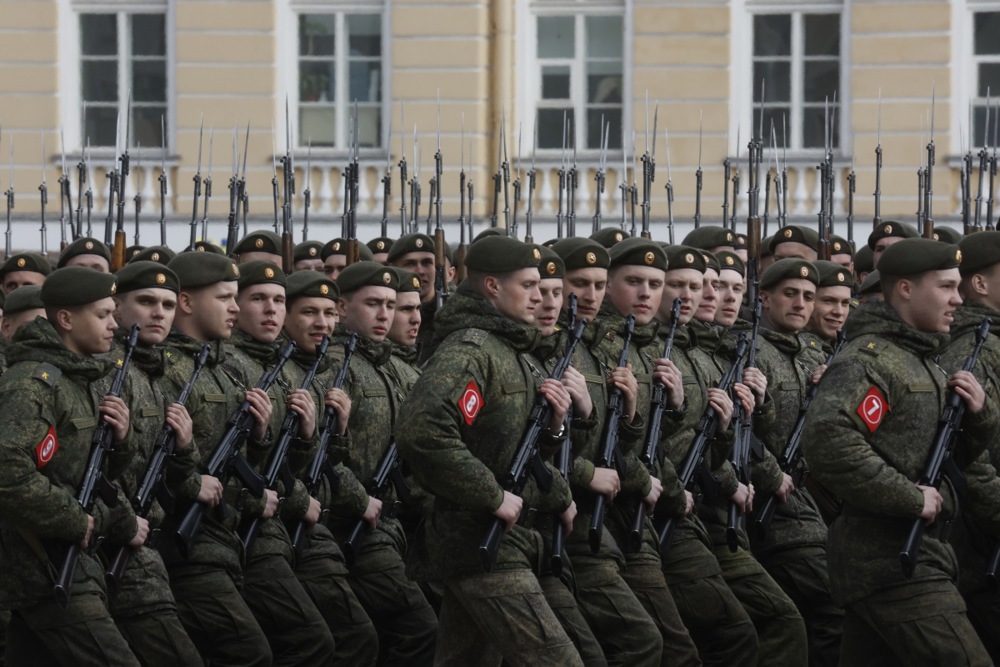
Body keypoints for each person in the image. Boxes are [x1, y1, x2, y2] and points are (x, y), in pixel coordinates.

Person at [803, 238, 999, 665]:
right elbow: (827, 441)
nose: (958, 298)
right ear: (906, 289)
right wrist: (909, 497)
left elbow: (949, 461)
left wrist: (980, 414)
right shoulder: (871, 360)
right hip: (889, 561)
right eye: (946, 287)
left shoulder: (921, 359)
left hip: (913, 556)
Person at [398, 236, 582, 665]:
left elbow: (512, 447)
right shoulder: (473, 350)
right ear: (493, 287)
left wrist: (555, 430)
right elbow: (422, 431)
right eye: (528, 286)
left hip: (502, 539)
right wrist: (492, 494)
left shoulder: (512, 349)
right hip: (477, 538)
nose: (540, 296)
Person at [551, 237, 697, 667]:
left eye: (598, 285)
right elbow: (541, 443)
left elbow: (634, 439)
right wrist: (640, 480)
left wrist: (642, 410)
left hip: (620, 515)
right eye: (580, 283)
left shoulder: (613, 344)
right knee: (642, 642)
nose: (590, 295)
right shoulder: (565, 347)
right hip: (579, 517)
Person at [0, 267, 141, 665]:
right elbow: (6, 471)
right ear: (65, 319)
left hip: (61, 562)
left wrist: (122, 439)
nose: (114, 324)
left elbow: (85, 471)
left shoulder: (77, 379)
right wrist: (75, 520)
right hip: (41, 563)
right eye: (103, 314)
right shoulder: (33, 384)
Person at [158, 252, 274, 666]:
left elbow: (243, 463)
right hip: (190, 546)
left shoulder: (224, 368)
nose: (235, 308)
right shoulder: (169, 370)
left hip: (226, 540)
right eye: (224, 297)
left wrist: (260, 436)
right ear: (186, 302)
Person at [222, 260, 337, 666]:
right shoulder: (230, 365)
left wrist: (309, 434)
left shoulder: (283, 366)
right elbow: (231, 461)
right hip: (247, 531)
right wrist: (297, 499)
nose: (271, 310)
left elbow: (295, 460)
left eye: (278, 300)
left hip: (280, 529)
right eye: (258, 299)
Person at [328, 261, 438, 665]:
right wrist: (358, 499)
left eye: (391, 305)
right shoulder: (336, 365)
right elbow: (320, 452)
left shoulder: (391, 368)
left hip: (394, 524)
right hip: (352, 525)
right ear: (342, 308)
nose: (384, 315)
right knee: (417, 627)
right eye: (373, 303)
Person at [104, 261, 203, 665]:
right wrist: (124, 520)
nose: (159, 313)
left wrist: (185, 446)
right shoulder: (109, 371)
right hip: (117, 543)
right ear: (116, 307)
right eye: (146, 302)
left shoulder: (157, 371)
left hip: (149, 541)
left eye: (167, 304)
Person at [282, 270, 381, 665]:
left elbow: (330, 459)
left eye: (328, 313)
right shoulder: (285, 373)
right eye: (309, 312)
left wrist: (338, 431)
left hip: (316, 525)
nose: (322, 323)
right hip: (291, 525)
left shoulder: (322, 373)